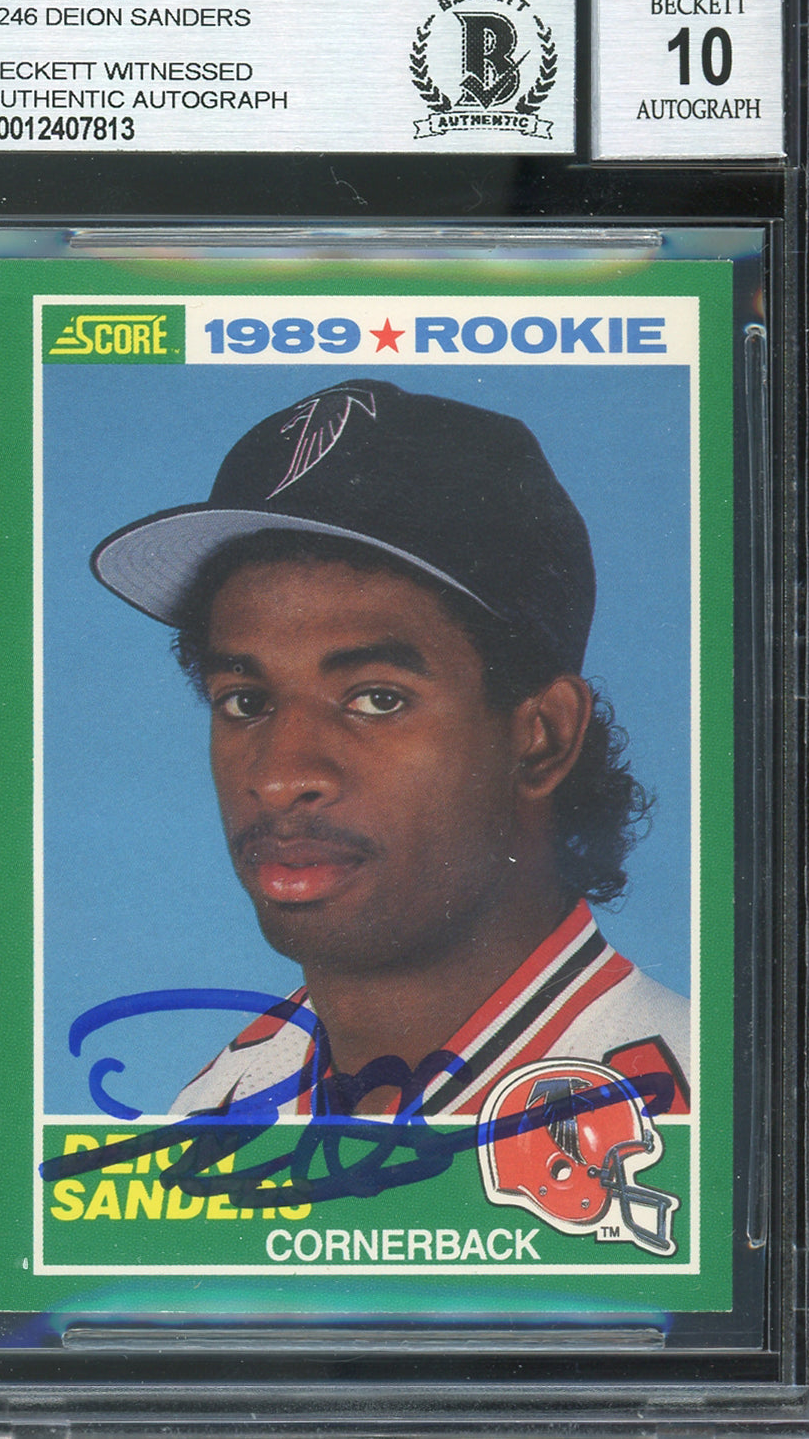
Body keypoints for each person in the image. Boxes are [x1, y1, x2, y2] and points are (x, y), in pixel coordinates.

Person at [92, 377, 690, 1122]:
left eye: (376, 699)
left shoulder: (680, 1124)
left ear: (543, 736)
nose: (280, 777)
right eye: (246, 701)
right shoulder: (215, 1106)